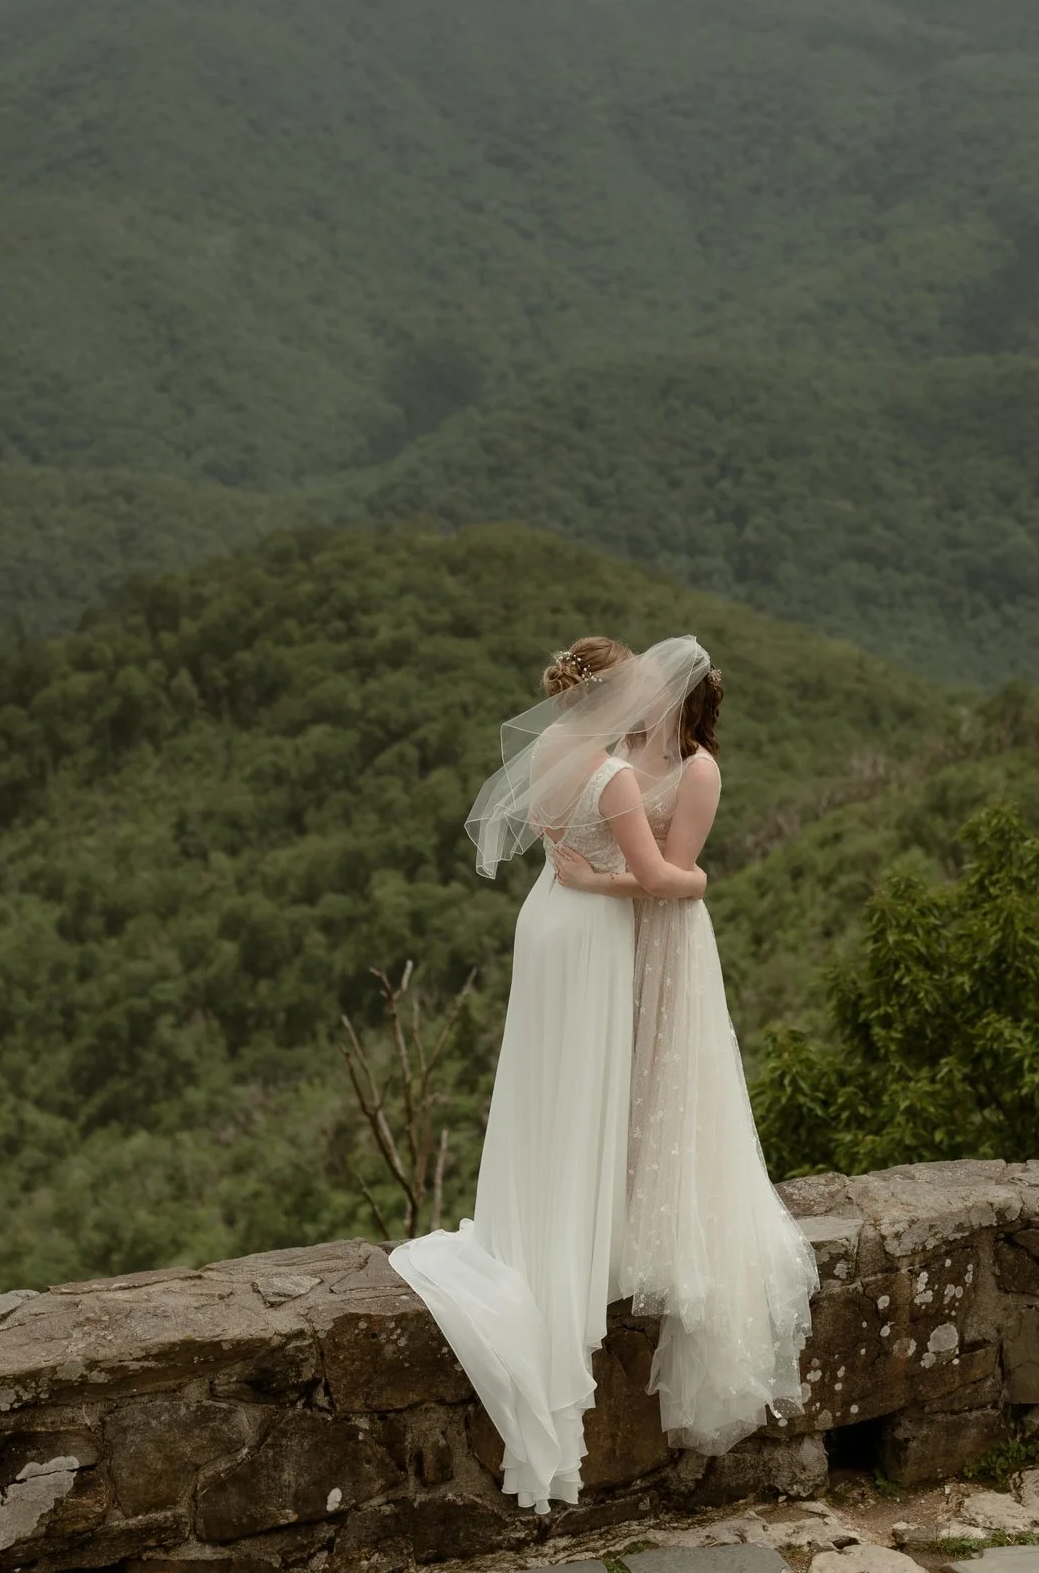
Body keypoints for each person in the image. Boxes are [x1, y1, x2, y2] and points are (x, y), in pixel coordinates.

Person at [389, 635, 714, 1512]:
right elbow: (655, 879)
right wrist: (700, 875)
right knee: (581, 1093)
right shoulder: (611, 776)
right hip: (591, 936)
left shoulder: (551, 750)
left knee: (542, 1085)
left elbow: (543, 834)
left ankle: (531, 1228)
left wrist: (582, 870)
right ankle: (567, 1263)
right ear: (612, 698)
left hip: (545, 920)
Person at [553, 652, 817, 1456]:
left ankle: (655, 1232)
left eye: (660, 692)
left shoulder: (699, 771)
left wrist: (592, 883)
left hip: (664, 938)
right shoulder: (621, 753)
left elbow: (678, 877)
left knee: (663, 1078)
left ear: (687, 701)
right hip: (611, 943)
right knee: (614, 1076)